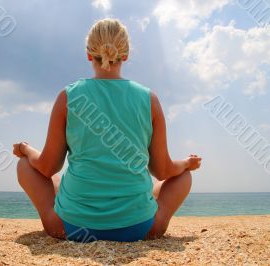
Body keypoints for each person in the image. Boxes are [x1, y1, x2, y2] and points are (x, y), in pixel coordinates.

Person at [13, 18, 202, 242]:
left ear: (88, 54)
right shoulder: (149, 100)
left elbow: (47, 166)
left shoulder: (68, 97)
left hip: (70, 228)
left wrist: (26, 149)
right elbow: (162, 170)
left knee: (26, 165)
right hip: (140, 228)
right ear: (126, 55)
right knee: (182, 177)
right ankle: (136, 214)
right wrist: (186, 164)